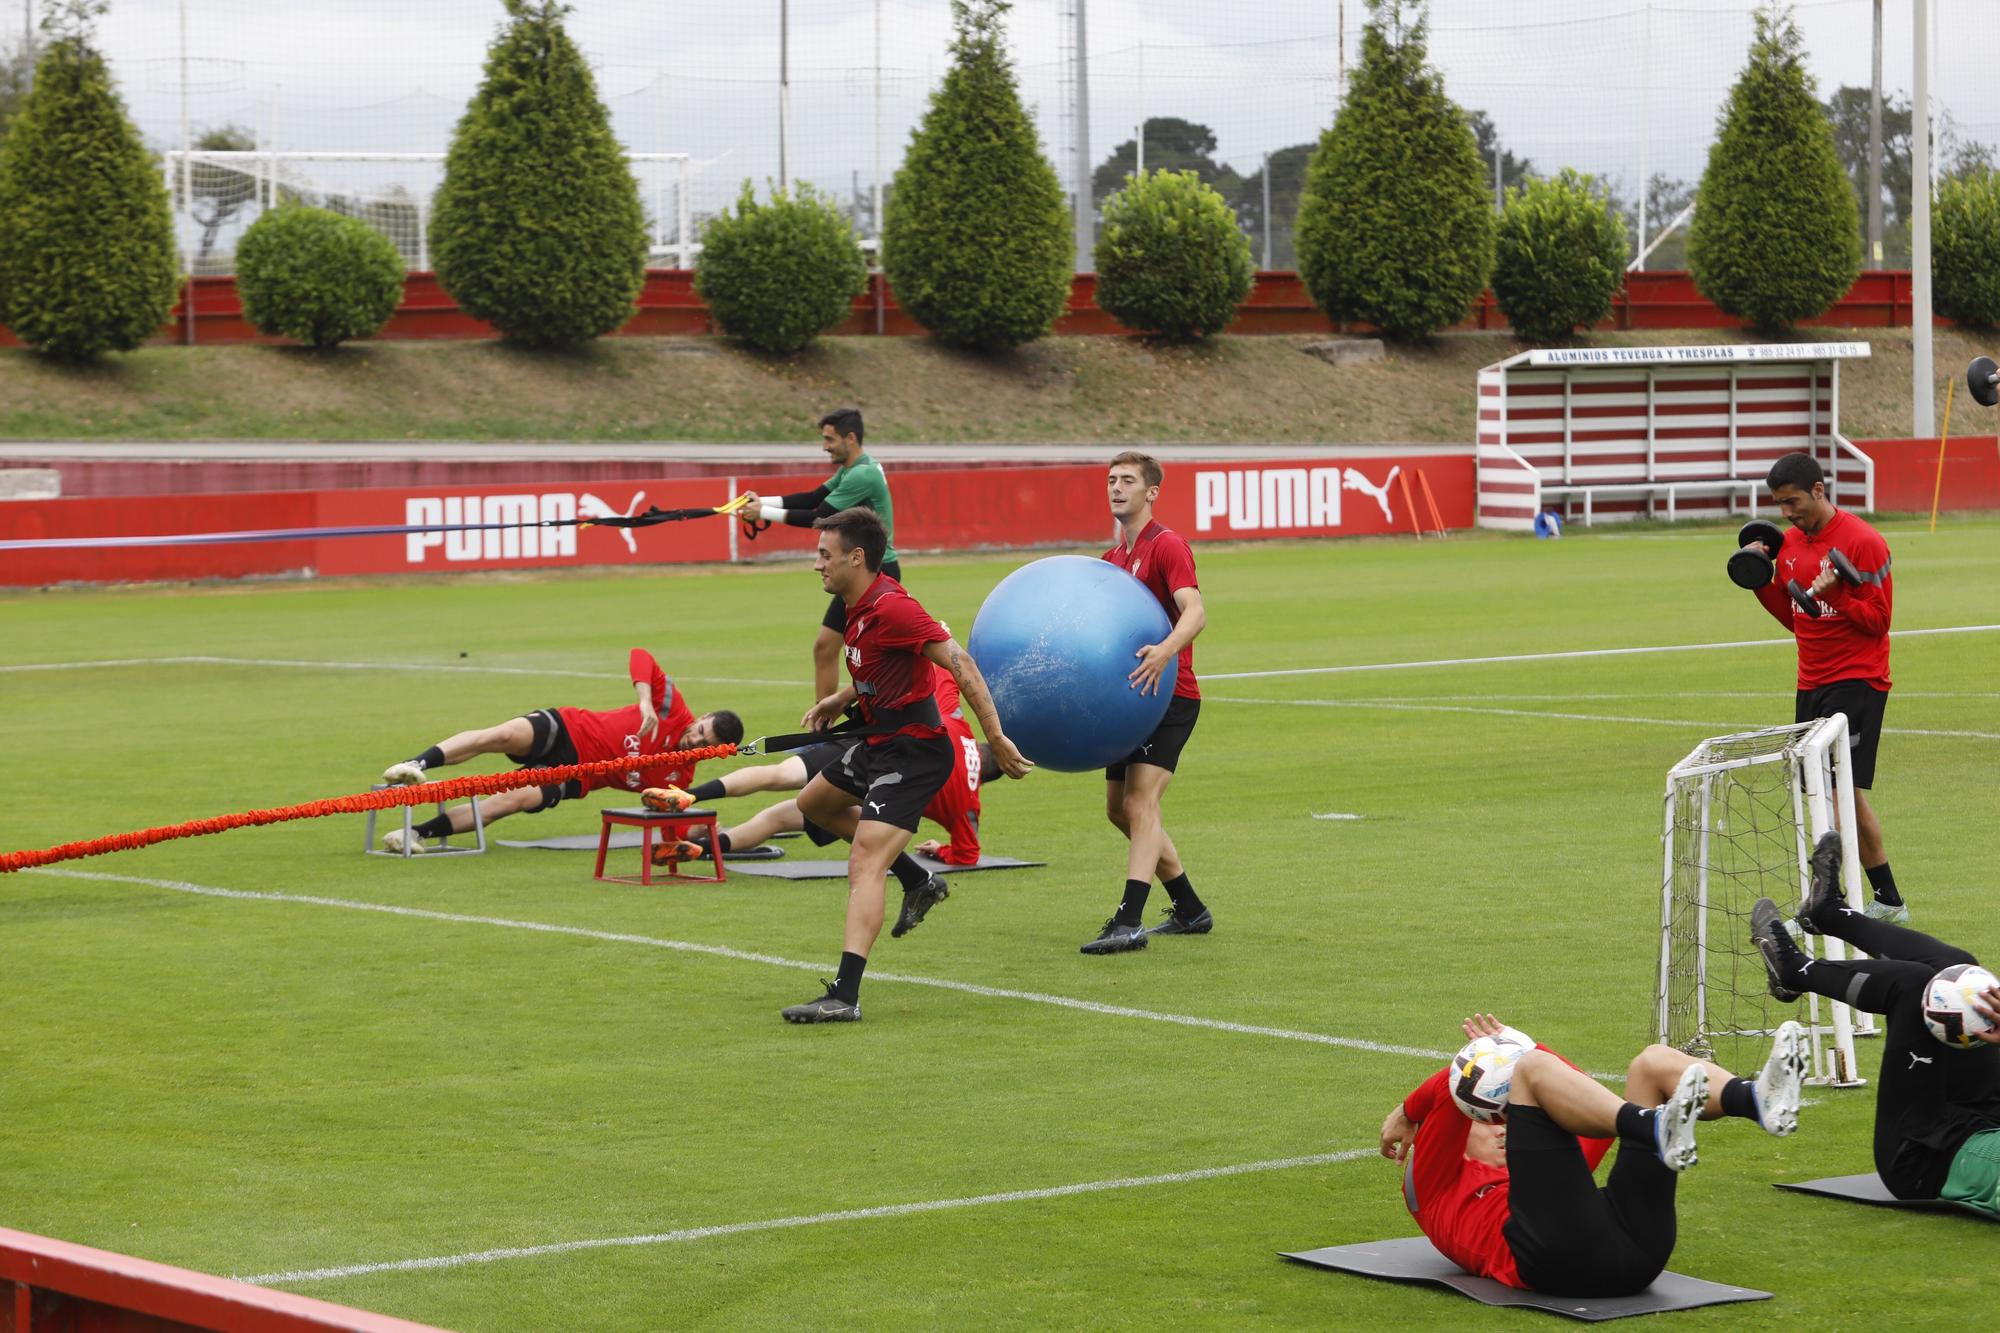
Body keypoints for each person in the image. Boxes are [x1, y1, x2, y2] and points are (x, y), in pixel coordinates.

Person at [779, 509, 1030, 1024]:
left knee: (865, 862)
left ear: (857, 558)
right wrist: (842, 698)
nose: (816, 565)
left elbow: (961, 663)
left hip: (914, 751)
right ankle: (918, 879)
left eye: (825, 555)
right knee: (815, 805)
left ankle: (844, 994)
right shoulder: (855, 604)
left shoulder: (894, 606)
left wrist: (996, 737)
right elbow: (883, 661)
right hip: (881, 741)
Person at [1381, 1013, 1807, 1298]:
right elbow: (1447, 1095)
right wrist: (1408, 1110)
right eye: (1487, 1119)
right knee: (1530, 1070)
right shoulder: (1435, 1189)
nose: (1501, 1126)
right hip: (1550, 1261)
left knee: (1651, 1063)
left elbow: (1582, 1093)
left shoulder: (1550, 1178)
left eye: (1504, 1118)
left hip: (1638, 1252)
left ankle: (1757, 1099)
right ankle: (1657, 1127)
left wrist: (1515, 1044)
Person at [1751, 832, 2000, 1215]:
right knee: (1960, 976)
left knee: (1914, 986)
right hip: (1985, 1118)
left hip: (1924, 1157)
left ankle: (1796, 970)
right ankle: (1828, 913)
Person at [1742, 450, 1904, 921]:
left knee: (1829, 791)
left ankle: (1828, 902)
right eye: (1779, 504)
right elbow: (1797, 620)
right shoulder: (1789, 546)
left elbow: (1878, 621)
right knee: (1840, 793)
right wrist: (1759, 580)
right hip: (1810, 682)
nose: (1787, 513)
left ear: (1819, 490)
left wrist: (1839, 595)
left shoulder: (1863, 542)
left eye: (1793, 502)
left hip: (1858, 681)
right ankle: (1889, 901)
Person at [374, 648, 743, 851]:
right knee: (499, 735)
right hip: (569, 728)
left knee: (506, 803)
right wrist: (645, 700)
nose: (694, 740)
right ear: (702, 717)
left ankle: (414, 834)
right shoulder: (671, 709)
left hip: (574, 777)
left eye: (704, 745)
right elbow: (640, 656)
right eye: (699, 731)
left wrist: (696, 836)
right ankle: (415, 762)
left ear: (712, 752)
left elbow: (668, 833)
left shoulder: (679, 777)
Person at [658, 674, 1012, 871]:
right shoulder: (968, 804)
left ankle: (690, 796)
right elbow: (968, 854)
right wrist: (940, 850)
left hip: (862, 758)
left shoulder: (955, 723)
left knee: (779, 776)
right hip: (874, 802)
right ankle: (699, 848)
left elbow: (941, 671)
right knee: (777, 818)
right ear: (984, 778)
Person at [1082, 451, 1211, 956]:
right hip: (1125, 700)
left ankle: (1129, 919)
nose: (1116, 488)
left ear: (1151, 491)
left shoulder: (1167, 545)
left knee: (1141, 804)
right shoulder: (1112, 561)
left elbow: (1195, 612)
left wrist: (1165, 651)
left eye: (1128, 481)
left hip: (1169, 697)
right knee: (1120, 811)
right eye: (1111, 480)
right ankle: (1189, 908)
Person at [741, 407, 902, 702]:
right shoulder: (854, 468)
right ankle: (824, 726)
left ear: (850, 438)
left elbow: (818, 515)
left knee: (862, 652)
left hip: (875, 573)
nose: (824, 446)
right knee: (825, 647)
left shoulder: (862, 475)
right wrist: (759, 501)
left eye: (830, 439)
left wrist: (761, 512)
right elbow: (814, 497)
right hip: (864, 570)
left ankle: (834, 723)